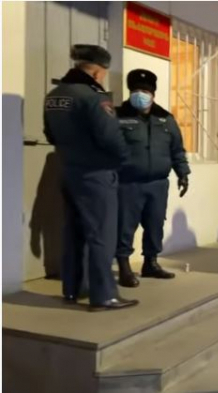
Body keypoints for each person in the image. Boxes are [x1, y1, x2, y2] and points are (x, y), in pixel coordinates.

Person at [43, 44, 138, 311]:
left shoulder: (54, 95)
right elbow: (110, 138)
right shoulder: (94, 97)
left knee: (74, 232)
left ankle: (73, 289)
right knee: (101, 235)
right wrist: (122, 161)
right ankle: (104, 295)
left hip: (69, 170)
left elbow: (50, 134)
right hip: (96, 174)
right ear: (97, 71)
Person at [114, 69, 191, 287]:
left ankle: (151, 263)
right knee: (125, 226)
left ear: (153, 93)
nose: (140, 94)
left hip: (158, 183)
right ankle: (124, 266)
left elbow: (177, 150)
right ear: (130, 91)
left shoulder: (165, 119)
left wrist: (183, 173)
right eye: (136, 90)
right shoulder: (118, 116)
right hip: (127, 182)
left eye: (145, 90)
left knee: (155, 224)